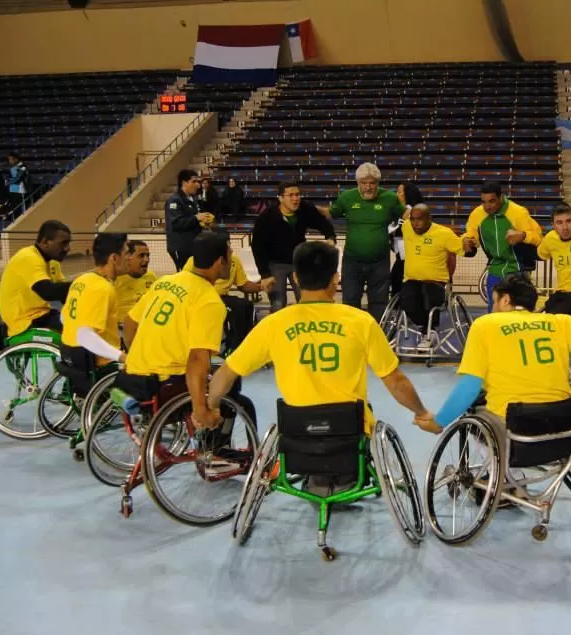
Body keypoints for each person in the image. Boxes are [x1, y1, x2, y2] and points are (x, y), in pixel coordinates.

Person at [206, 241, 439, 494]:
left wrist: (211, 407)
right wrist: (422, 412)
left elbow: (225, 373)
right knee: (365, 414)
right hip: (349, 432)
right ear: (335, 279)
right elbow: (396, 382)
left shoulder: (273, 324)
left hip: (297, 433)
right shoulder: (361, 322)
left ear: (296, 278)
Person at [417, 275, 571, 471]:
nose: (493, 308)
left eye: (494, 301)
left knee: (475, 409)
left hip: (515, 425)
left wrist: (439, 421)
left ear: (506, 300)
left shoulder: (485, 325)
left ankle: (503, 477)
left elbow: (470, 386)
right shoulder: (561, 322)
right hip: (562, 422)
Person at [118, 232, 253, 433]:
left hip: (131, 378)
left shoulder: (164, 282)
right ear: (220, 262)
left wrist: (139, 358)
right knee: (235, 390)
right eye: (230, 255)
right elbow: (197, 359)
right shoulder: (209, 300)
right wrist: (200, 409)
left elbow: (130, 324)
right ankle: (218, 447)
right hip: (165, 386)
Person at [329, 163, 405, 320]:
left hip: (380, 261)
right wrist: (308, 209)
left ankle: (376, 331)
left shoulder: (390, 198)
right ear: (358, 182)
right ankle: (351, 331)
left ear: (378, 182)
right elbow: (330, 213)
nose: (368, 187)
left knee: (379, 302)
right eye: (364, 183)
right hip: (352, 261)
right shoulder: (346, 197)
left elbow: (408, 216)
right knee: (350, 300)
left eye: (372, 183)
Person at [252, 179, 336, 312]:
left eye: (297, 194)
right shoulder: (266, 217)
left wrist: (330, 237)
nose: (295, 199)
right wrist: (265, 274)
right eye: (290, 195)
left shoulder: (305, 209)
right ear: (280, 198)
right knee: (278, 304)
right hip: (275, 263)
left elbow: (322, 222)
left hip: (299, 261)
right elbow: (257, 247)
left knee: (306, 300)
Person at [59, 233, 129, 392]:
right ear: (114, 258)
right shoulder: (102, 288)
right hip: (102, 364)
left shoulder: (81, 280)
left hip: (71, 355)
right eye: (126, 253)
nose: (129, 258)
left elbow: (64, 317)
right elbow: (84, 335)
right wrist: (121, 357)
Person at [462, 182, 543, 311]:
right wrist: (467, 240)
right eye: (484, 202)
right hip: (495, 268)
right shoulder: (477, 215)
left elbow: (538, 238)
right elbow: (470, 235)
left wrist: (523, 235)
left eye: (492, 201)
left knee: (517, 310)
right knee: (494, 309)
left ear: (501, 197)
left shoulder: (518, 213)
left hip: (518, 269)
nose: (487, 206)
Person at [182, 238, 266, 353]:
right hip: (201, 298)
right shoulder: (195, 261)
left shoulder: (234, 260)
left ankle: (242, 345)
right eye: (228, 249)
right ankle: (232, 348)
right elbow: (186, 282)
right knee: (232, 309)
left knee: (245, 305)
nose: (232, 252)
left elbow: (243, 285)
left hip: (222, 297)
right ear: (221, 260)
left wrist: (262, 287)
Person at [399, 203, 463, 347]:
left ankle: (430, 330)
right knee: (407, 300)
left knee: (428, 293)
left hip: (436, 282)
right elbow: (401, 212)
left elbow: (465, 250)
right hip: (412, 280)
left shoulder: (444, 233)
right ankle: (425, 328)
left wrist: (470, 244)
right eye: (413, 219)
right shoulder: (407, 227)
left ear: (429, 218)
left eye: (419, 219)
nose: (415, 223)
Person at [0, 220, 71, 340]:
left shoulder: (52, 262)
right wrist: (82, 284)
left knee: (83, 323)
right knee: (77, 332)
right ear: (45, 242)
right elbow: (47, 291)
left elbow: (64, 294)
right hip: (24, 320)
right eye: (63, 243)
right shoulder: (28, 257)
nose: (68, 248)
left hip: (42, 314)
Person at [165, 169, 213, 270]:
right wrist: (196, 218)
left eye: (198, 182)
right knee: (184, 274)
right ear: (184, 183)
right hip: (181, 247)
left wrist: (203, 222)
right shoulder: (174, 200)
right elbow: (176, 223)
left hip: (193, 245)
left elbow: (193, 220)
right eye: (194, 181)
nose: (197, 185)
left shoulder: (193, 199)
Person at [390, 181, 424, 297]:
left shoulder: (415, 212)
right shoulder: (397, 212)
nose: (396, 194)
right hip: (401, 258)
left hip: (412, 260)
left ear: (407, 194)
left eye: (399, 192)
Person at [114, 240, 157, 324]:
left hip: (146, 324)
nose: (147, 259)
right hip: (122, 326)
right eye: (141, 255)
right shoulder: (116, 279)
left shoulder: (151, 276)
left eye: (148, 255)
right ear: (128, 258)